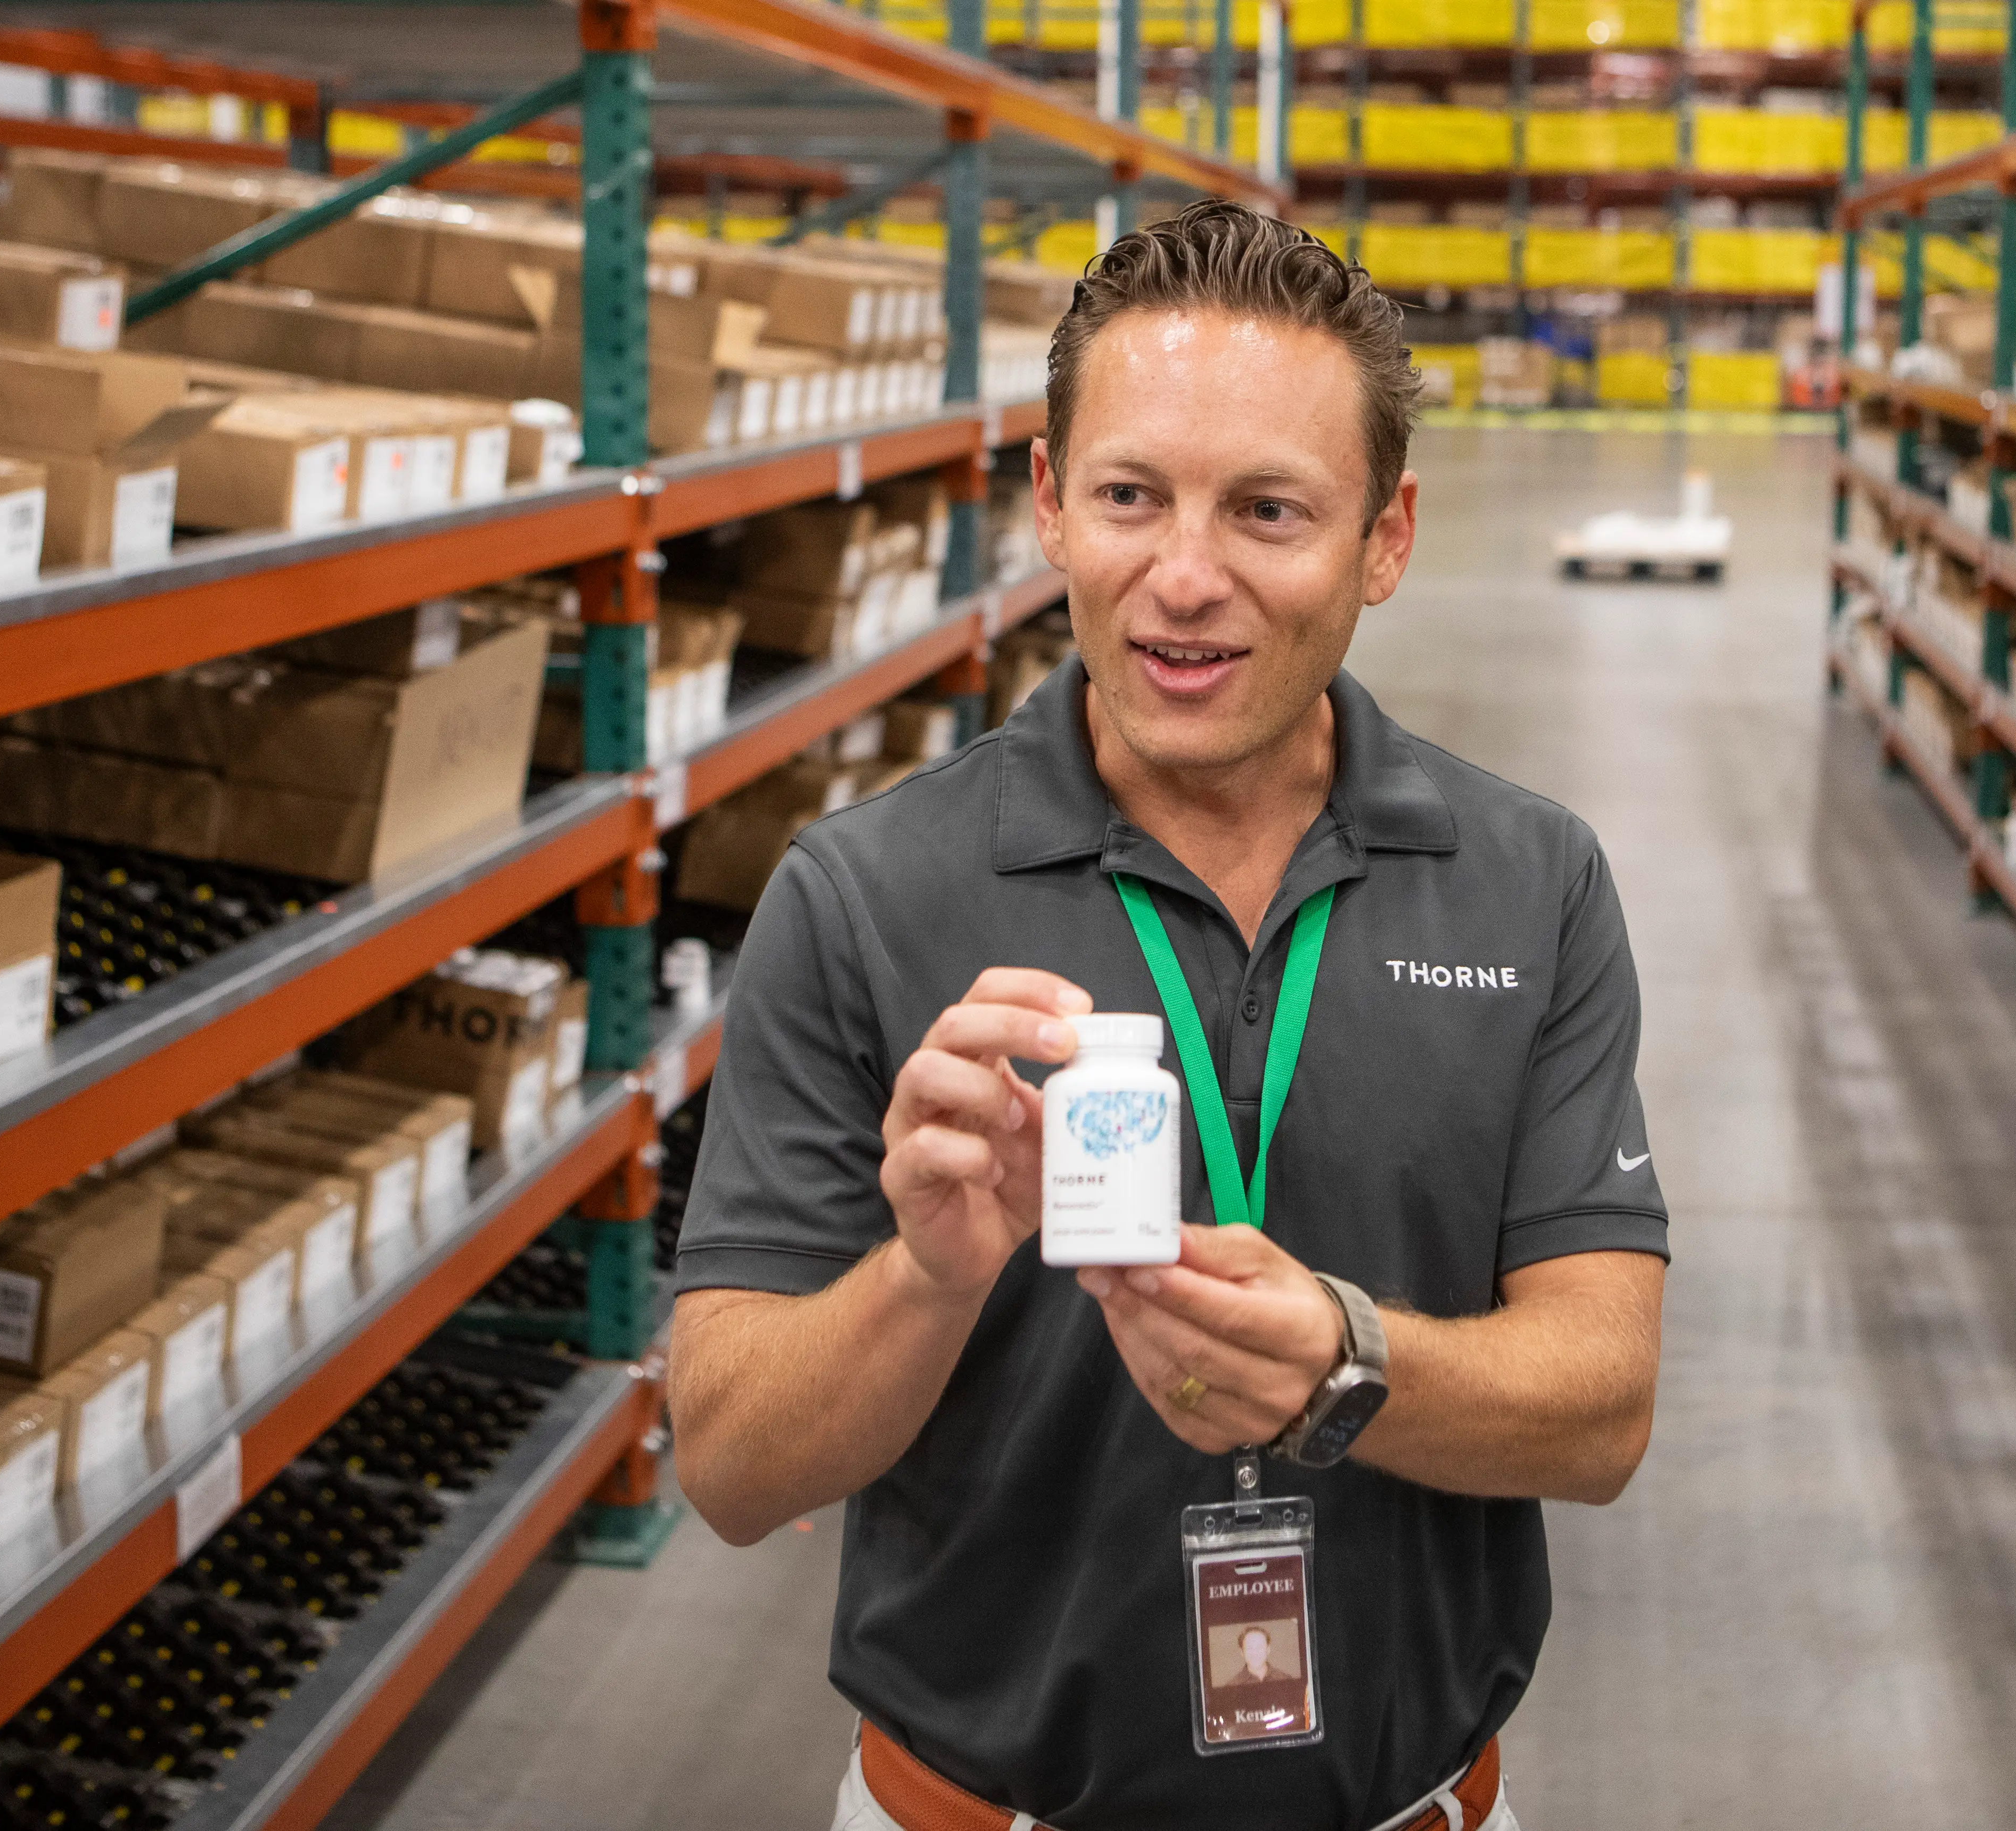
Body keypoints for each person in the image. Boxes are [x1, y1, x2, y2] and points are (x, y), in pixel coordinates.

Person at [667, 199, 1669, 1831]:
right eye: (1131, 496)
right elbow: (730, 1465)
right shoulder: (865, 893)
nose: (1182, 580)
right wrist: (925, 1273)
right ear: (1053, 504)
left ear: (1386, 536)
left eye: (1268, 509)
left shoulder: (1526, 880)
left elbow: (1601, 1404)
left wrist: (1345, 1368)